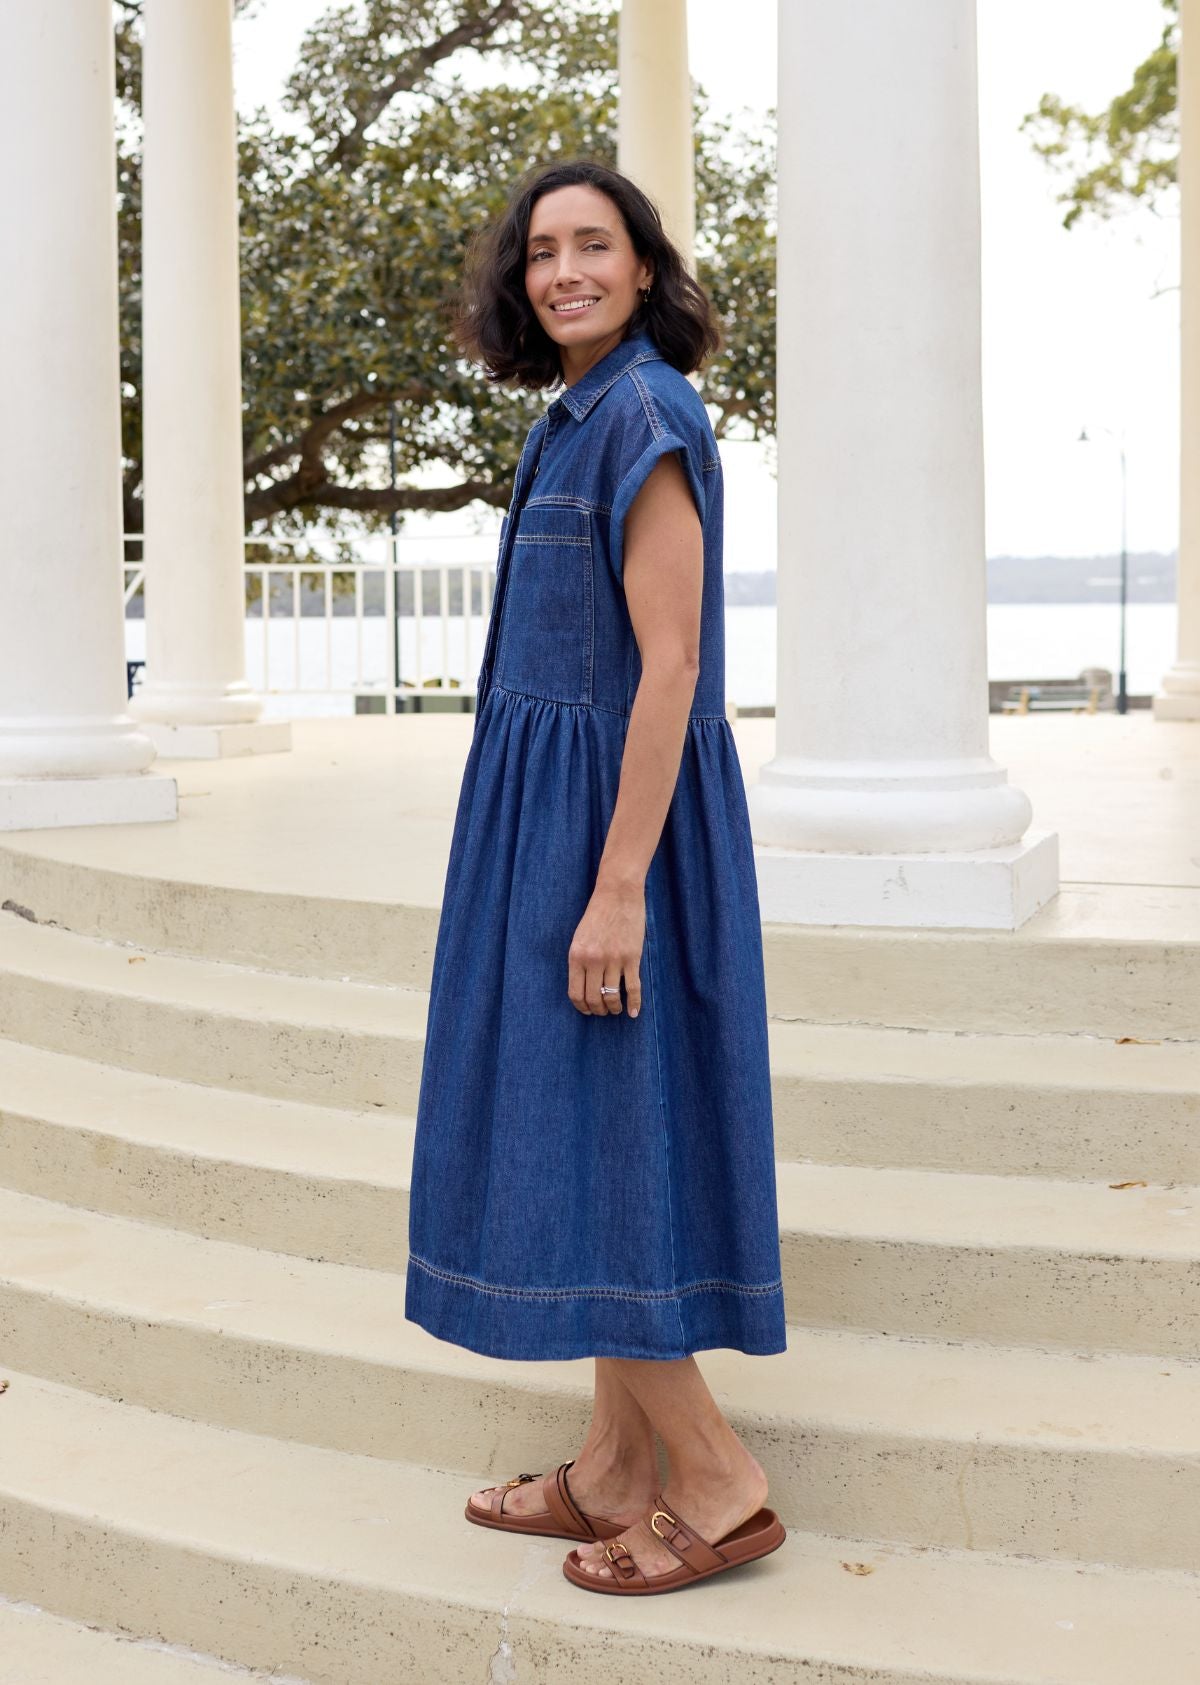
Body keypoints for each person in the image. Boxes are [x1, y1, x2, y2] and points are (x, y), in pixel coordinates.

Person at [404, 157, 787, 1596]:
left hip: (612, 832)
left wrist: (618, 884)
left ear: (641, 268)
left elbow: (672, 663)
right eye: (542, 251)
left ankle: (717, 1479)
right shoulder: (571, 417)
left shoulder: (644, 413)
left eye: (594, 245)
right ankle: (619, 1466)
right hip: (548, 821)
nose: (565, 270)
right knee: (585, 1123)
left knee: (601, 1139)